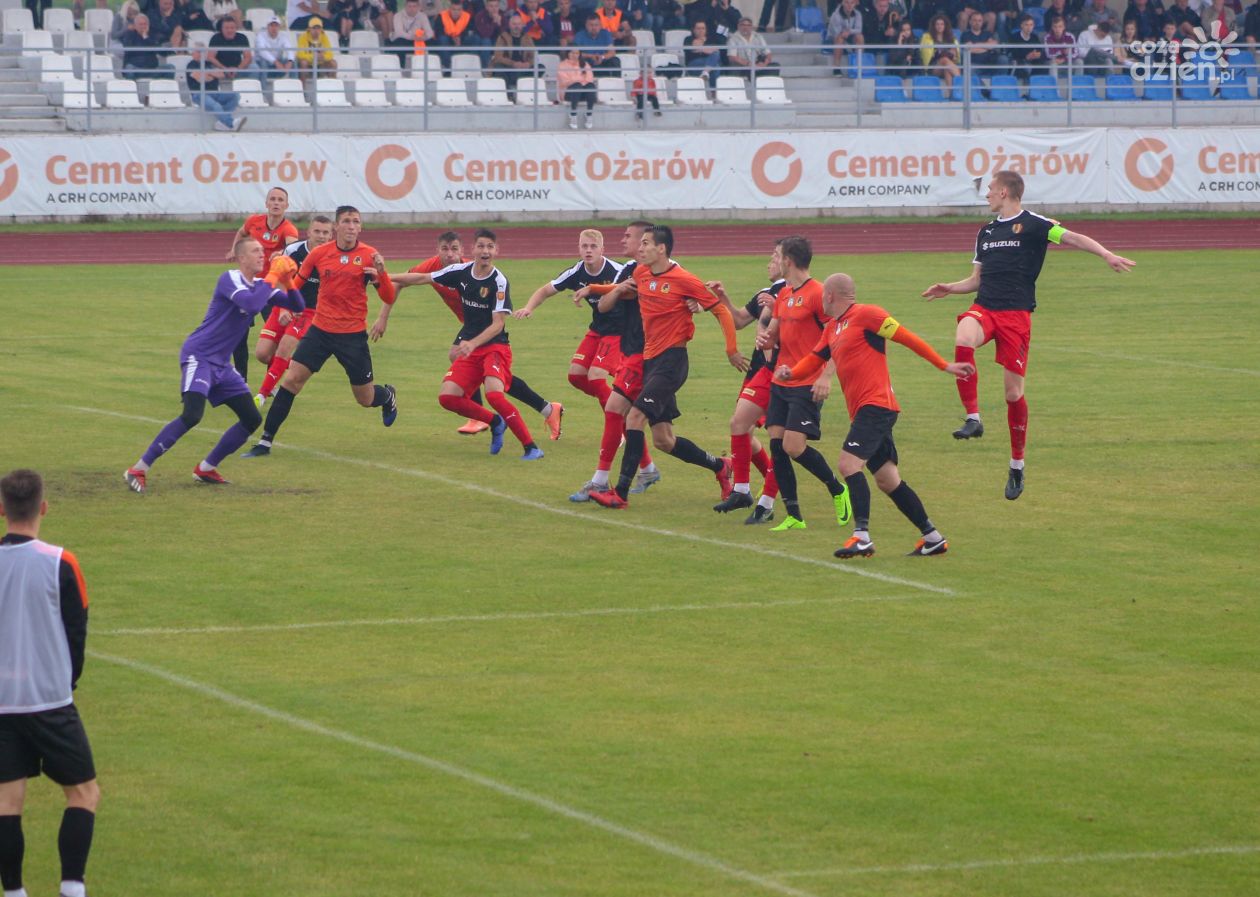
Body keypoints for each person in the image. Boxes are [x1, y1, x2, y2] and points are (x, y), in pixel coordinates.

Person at [921, 170, 1135, 500]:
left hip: (1016, 317)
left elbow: (1074, 238)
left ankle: (1017, 465)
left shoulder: (1035, 224)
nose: (986, 194)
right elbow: (976, 280)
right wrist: (950, 288)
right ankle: (973, 418)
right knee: (964, 335)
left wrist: (1106, 254)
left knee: (1013, 393)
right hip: (985, 309)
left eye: (990, 189)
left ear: (1005, 192)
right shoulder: (986, 232)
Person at [774, 274, 975, 558]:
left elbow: (907, 338)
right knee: (888, 480)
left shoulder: (868, 315)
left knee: (848, 464)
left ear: (829, 296)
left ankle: (862, 537)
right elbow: (813, 360)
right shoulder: (832, 328)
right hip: (863, 411)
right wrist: (791, 373)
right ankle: (933, 538)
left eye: (822, 296)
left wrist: (944, 365)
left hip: (877, 407)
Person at [123, 240, 304, 490]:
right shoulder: (230, 279)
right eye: (256, 251)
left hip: (221, 364)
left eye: (263, 252)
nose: (262, 255)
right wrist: (275, 275)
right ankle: (138, 469)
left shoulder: (261, 285)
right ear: (241, 258)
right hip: (199, 356)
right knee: (192, 415)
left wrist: (288, 280)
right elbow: (251, 304)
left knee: (251, 418)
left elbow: (298, 306)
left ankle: (206, 469)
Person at [588, 225, 746, 510]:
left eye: (646, 243)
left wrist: (731, 349)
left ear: (661, 249)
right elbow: (619, 291)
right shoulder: (641, 273)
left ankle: (620, 493)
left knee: (634, 417)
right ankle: (721, 466)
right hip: (650, 363)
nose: (640, 248)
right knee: (663, 440)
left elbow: (719, 310)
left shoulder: (683, 279)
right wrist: (592, 289)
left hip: (672, 362)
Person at [0, 470, 99, 897]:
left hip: (2, 703)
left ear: (1, 510)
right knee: (83, 794)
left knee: (6, 803)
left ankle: (14, 892)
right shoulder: (61, 562)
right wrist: (66, 681)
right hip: (51, 701)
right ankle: (71, 888)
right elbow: (77, 630)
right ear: (43, 507)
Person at [241, 206, 399, 459]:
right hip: (320, 332)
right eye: (346, 221)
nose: (351, 226)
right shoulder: (319, 254)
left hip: (352, 336)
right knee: (291, 380)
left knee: (365, 398)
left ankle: (387, 395)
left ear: (360, 227)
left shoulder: (370, 256)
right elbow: (296, 284)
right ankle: (264, 442)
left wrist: (381, 273)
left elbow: (388, 296)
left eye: (355, 221)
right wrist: (285, 304)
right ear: (337, 226)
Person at [389, 229, 546, 460]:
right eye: (481, 246)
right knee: (447, 397)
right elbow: (422, 278)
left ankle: (531, 447)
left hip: (495, 348)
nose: (485, 251)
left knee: (494, 395)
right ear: (473, 250)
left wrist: (472, 343)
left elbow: (498, 324)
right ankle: (495, 421)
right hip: (471, 346)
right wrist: (384, 276)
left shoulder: (499, 281)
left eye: (489, 247)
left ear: (496, 250)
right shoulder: (459, 271)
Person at [741, 236, 849, 532]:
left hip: (808, 380)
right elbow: (774, 334)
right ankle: (794, 516)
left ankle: (837, 488)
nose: (774, 259)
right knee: (777, 445)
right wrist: (765, 338)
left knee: (793, 446)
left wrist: (826, 376)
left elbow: (838, 338)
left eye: (777, 255)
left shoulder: (818, 294)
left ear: (788, 260)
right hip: (782, 379)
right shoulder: (784, 295)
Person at [567, 220, 664, 501]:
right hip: (635, 353)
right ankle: (643, 470)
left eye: (628, 236)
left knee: (656, 433)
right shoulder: (628, 269)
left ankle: (610, 481)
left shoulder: (671, 271)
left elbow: (695, 294)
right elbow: (607, 300)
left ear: (645, 241)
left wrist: (695, 303)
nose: (622, 240)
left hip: (657, 358)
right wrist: (608, 290)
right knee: (651, 430)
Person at [706, 247, 783, 524]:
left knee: (780, 439)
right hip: (757, 371)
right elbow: (739, 320)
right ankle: (749, 489)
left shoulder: (793, 294)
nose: (769, 263)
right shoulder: (766, 293)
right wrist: (723, 297)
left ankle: (764, 492)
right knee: (742, 429)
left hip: (779, 373)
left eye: (775, 258)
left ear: (788, 261)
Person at [515, 229, 626, 416]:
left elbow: (639, 291)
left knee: (596, 377)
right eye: (584, 246)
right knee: (576, 375)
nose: (588, 250)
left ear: (602, 250)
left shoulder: (617, 271)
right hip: (598, 329)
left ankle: (618, 422)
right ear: (579, 249)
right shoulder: (576, 272)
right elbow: (545, 290)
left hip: (620, 331)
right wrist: (529, 307)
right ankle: (620, 403)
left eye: (593, 246)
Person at [254, 215, 334, 408]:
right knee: (262, 354)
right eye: (317, 231)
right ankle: (292, 366)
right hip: (284, 305)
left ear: (331, 235)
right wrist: (283, 307)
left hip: (308, 312)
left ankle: (261, 396)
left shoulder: (334, 257)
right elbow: (280, 276)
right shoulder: (294, 250)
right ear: (309, 232)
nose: (321, 236)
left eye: (325, 232)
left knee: (283, 349)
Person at [225, 187, 299, 379]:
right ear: (266, 203)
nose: (276, 203)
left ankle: (271, 383)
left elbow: (293, 251)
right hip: (248, 287)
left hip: (271, 291)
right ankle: (241, 381)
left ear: (286, 205)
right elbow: (241, 232)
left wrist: (282, 253)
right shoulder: (254, 221)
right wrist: (234, 249)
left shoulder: (289, 230)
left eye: (280, 200)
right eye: (272, 199)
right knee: (238, 335)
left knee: (274, 339)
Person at [186, 42, 246, 132]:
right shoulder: (191, 65)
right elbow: (202, 79)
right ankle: (231, 123)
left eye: (203, 52)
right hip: (199, 94)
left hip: (215, 93)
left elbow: (221, 74)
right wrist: (211, 74)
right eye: (198, 52)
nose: (201, 54)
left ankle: (222, 123)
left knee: (235, 96)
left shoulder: (209, 64)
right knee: (216, 105)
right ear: (193, 53)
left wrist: (207, 73)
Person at [492, 13, 536, 98]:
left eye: (519, 24)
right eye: (514, 24)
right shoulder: (502, 37)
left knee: (540, 67)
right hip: (508, 68)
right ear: (509, 25)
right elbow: (498, 57)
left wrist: (528, 64)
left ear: (522, 25)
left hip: (523, 68)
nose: (517, 26)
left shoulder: (527, 37)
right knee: (498, 67)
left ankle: (528, 95)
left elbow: (533, 55)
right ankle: (508, 95)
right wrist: (513, 64)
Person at [120, 14, 176, 78]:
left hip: (152, 69)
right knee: (129, 69)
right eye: (140, 24)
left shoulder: (152, 35)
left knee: (170, 68)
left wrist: (146, 37)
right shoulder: (129, 34)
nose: (143, 26)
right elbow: (128, 50)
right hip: (136, 69)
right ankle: (131, 84)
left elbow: (162, 52)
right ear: (135, 26)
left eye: (145, 24)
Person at [557, 48, 596, 128]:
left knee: (591, 86)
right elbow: (565, 81)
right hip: (568, 93)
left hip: (583, 91)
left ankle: (589, 114)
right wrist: (579, 80)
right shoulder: (562, 65)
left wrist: (577, 80)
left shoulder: (585, 64)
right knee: (577, 86)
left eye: (577, 53)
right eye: (572, 53)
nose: (574, 55)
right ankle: (573, 114)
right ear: (568, 53)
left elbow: (590, 79)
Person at [209, 14, 255, 79]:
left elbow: (248, 57)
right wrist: (224, 69)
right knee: (210, 70)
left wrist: (237, 69)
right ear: (221, 29)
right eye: (226, 28)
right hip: (220, 68)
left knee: (254, 68)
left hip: (239, 68)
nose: (229, 30)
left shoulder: (242, 37)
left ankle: (252, 85)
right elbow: (210, 57)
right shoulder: (216, 38)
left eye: (232, 28)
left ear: (236, 28)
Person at [919, 12, 958, 87]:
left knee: (947, 70)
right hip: (933, 67)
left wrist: (952, 54)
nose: (940, 26)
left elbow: (955, 57)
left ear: (945, 26)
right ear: (934, 26)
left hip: (948, 65)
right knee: (944, 59)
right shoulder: (927, 37)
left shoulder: (951, 39)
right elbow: (925, 54)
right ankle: (961, 81)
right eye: (937, 24)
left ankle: (952, 93)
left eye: (942, 24)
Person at [255, 15, 298, 79]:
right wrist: (275, 62)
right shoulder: (261, 36)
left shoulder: (283, 36)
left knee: (293, 61)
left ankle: (294, 84)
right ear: (267, 26)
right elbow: (262, 52)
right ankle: (263, 85)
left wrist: (290, 61)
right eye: (271, 25)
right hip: (263, 63)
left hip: (277, 63)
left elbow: (289, 49)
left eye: (276, 25)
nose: (274, 28)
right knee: (263, 62)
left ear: (279, 27)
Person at [828, 0, 864, 73]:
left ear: (855, 3)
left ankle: (859, 66)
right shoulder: (835, 15)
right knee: (840, 39)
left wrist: (849, 31)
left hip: (849, 37)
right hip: (833, 39)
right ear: (842, 3)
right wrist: (846, 34)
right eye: (847, 2)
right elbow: (837, 33)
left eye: (852, 3)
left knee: (860, 37)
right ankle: (836, 67)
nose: (849, 5)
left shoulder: (858, 14)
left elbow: (859, 29)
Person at [1008, 13, 1045, 81]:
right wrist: (1026, 56)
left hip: (1033, 61)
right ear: (1021, 25)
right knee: (1027, 67)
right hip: (1019, 61)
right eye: (1026, 25)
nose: (1029, 27)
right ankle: (1027, 85)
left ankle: (1039, 84)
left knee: (1043, 65)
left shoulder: (1034, 37)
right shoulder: (1014, 37)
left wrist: (1037, 54)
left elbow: (1039, 50)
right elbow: (1013, 53)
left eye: (1031, 25)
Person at [684, 19, 721, 85]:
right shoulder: (688, 39)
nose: (701, 30)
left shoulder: (710, 39)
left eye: (703, 28)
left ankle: (705, 73)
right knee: (715, 66)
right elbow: (693, 49)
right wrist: (706, 49)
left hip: (708, 63)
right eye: (698, 28)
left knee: (716, 64)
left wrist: (700, 49)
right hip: (693, 64)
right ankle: (706, 75)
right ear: (694, 30)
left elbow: (716, 51)